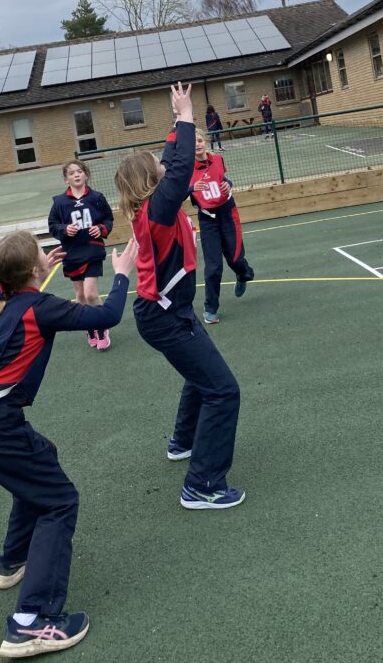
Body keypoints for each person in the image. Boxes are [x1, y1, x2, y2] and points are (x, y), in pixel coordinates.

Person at [0, 230, 137, 659]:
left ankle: (12, 561)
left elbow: (21, 293)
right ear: (32, 271)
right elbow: (106, 315)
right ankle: (32, 622)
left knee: (41, 460)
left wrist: (39, 264)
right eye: (39, 257)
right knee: (59, 500)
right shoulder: (39, 307)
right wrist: (122, 274)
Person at [114, 82, 245, 511]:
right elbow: (183, 162)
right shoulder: (159, 209)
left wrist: (175, 120)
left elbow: (173, 160)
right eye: (156, 165)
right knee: (224, 391)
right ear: (149, 180)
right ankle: (202, 485)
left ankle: (182, 441)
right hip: (165, 316)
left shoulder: (152, 206)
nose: (163, 164)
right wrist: (187, 116)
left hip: (168, 312)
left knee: (201, 375)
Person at [190, 129, 254, 324]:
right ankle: (210, 309)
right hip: (208, 219)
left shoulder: (217, 160)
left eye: (200, 140)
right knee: (213, 266)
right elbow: (181, 192)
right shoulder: (185, 169)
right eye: (193, 142)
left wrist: (228, 183)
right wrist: (191, 189)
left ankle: (243, 274)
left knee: (235, 258)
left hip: (227, 212)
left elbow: (223, 179)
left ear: (206, 142)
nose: (197, 144)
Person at [48, 161, 114, 351]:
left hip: (92, 250)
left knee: (91, 293)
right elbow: (53, 225)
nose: (76, 175)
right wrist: (64, 229)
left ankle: (102, 326)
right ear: (65, 178)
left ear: (86, 175)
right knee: (80, 295)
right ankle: (90, 326)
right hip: (72, 253)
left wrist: (101, 229)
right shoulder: (59, 203)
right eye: (71, 173)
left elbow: (108, 219)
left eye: (79, 171)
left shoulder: (97, 198)